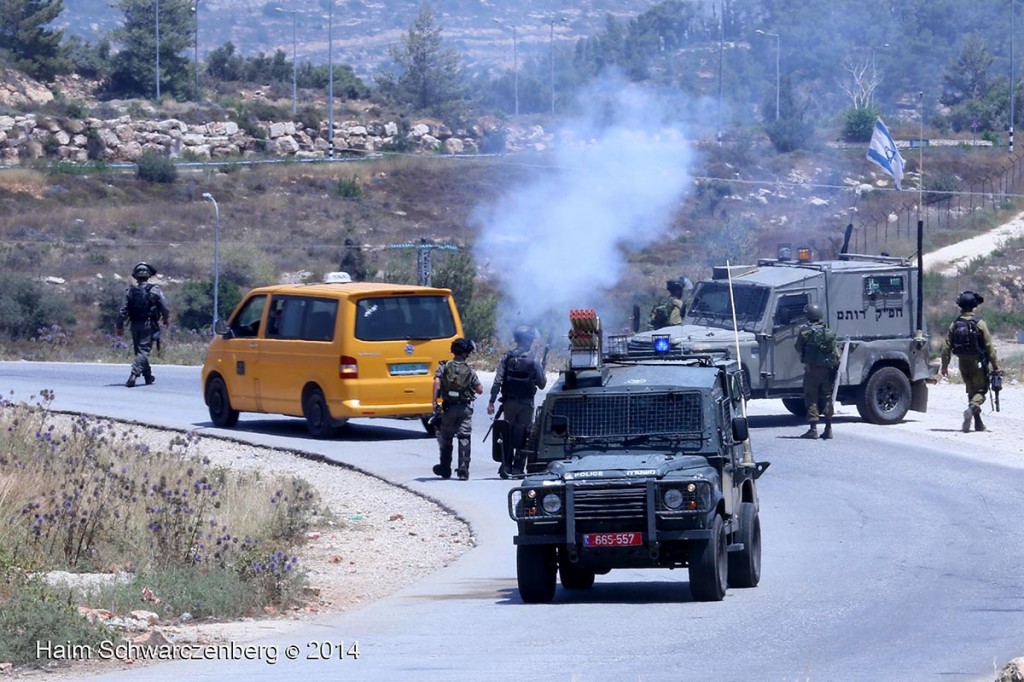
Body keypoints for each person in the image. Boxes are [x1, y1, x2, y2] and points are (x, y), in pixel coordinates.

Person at [488, 325, 548, 478]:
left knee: (508, 432)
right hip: (526, 404)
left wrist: (492, 401)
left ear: (516, 340)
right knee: (525, 434)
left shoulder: (507, 358)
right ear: (529, 341)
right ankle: (518, 468)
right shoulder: (533, 360)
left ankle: (506, 465)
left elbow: (497, 382)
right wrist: (543, 369)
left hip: (509, 403)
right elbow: (542, 384)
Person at [940, 290, 1000, 433]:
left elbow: (946, 347)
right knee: (981, 391)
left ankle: (978, 423)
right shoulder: (980, 324)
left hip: (962, 363)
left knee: (971, 390)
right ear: (973, 306)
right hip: (977, 362)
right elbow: (989, 347)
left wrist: (944, 366)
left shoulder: (954, 324)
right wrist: (995, 366)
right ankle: (972, 408)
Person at [432, 338, 484, 481]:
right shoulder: (469, 370)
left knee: (446, 438)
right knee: (464, 437)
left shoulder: (445, 366)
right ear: (465, 353)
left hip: (448, 408)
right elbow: (480, 390)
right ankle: (463, 471)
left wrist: (434, 402)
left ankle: (445, 469)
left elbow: (436, 382)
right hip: (464, 408)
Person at [116, 262, 170, 388]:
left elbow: (122, 311)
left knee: (139, 351)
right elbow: (165, 307)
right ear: (148, 276)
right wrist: (166, 319)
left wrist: (119, 326)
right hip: (149, 325)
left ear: (135, 276)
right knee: (143, 351)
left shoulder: (130, 291)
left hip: (134, 325)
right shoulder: (155, 290)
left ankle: (147, 376)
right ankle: (133, 375)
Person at [795, 303, 839, 440]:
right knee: (827, 397)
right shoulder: (828, 332)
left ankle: (813, 429)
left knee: (811, 397)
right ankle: (828, 428)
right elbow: (835, 351)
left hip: (812, 370)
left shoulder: (805, 332)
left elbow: (798, 347)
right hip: (827, 370)